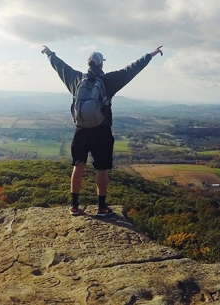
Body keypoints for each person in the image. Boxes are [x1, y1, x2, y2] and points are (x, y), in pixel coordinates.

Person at [41, 45, 164, 216]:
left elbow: (59, 65)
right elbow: (131, 69)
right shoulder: (108, 81)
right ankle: (101, 207)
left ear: (89, 64)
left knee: (78, 166)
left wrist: (48, 53)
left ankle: (74, 206)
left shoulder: (76, 79)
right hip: (102, 130)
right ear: (101, 65)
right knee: (101, 169)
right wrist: (150, 55)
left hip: (81, 130)